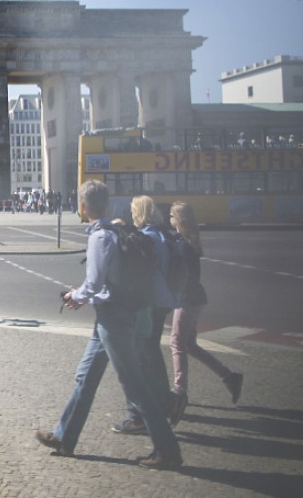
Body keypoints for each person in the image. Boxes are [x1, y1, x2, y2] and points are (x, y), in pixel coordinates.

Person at [35, 180, 182, 470]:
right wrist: (83, 296)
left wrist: (73, 296)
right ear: (107, 203)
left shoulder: (100, 237)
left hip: (113, 319)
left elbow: (94, 284)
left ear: (83, 206)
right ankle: (65, 437)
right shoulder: (116, 230)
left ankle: (168, 450)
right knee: (85, 378)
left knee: (135, 385)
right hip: (110, 316)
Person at [112, 195, 181, 435]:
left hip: (152, 300)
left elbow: (146, 272)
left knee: (145, 354)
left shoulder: (149, 237)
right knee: (149, 351)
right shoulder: (160, 233)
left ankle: (162, 402)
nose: (132, 214)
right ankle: (163, 401)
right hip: (164, 298)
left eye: (134, 210)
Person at [168, 202, 243, 407]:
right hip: (196, 297)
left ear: (178, 219)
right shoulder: (188, 241)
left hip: (187, 299)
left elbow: (184, 275)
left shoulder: (182, 245)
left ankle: (180, 391)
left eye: (171, 216)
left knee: (177, 343)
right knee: (189, 344)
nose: (169, 219)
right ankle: (229, 376)